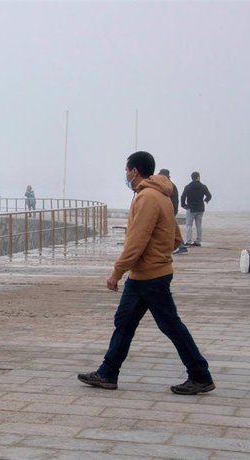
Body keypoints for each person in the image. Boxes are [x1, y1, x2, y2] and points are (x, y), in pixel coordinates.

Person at [77, 151, 214, 395]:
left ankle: (200, 375)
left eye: (127, 170)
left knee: (171, 325)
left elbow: (136, 241)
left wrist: (117, 272)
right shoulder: (162, 196)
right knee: (125, 322)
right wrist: (158, 254)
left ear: (135, 171)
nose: (125, 174)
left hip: (151, 276)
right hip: (145, 274)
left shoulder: (147, 197)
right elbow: (175, 238)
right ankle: (108, 373)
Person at [180, 171, 212, 246]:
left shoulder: (188, 186)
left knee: (189, 225)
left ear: (192, 178)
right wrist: (206, 200)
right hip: (200, 208)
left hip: (191, 208)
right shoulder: (203, 186)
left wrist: (183, 205)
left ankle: (188, 240)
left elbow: (183, 197)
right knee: (199, 225)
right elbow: (209, 196)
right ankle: (198, 240)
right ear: (198, 177)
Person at [159, 169, 186, 255]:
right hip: (170, 210)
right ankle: (178, 246)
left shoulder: (168, 185)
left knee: (172, 229)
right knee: (170, 229)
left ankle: (181, 246)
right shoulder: (169, 184)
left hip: (169, 211)